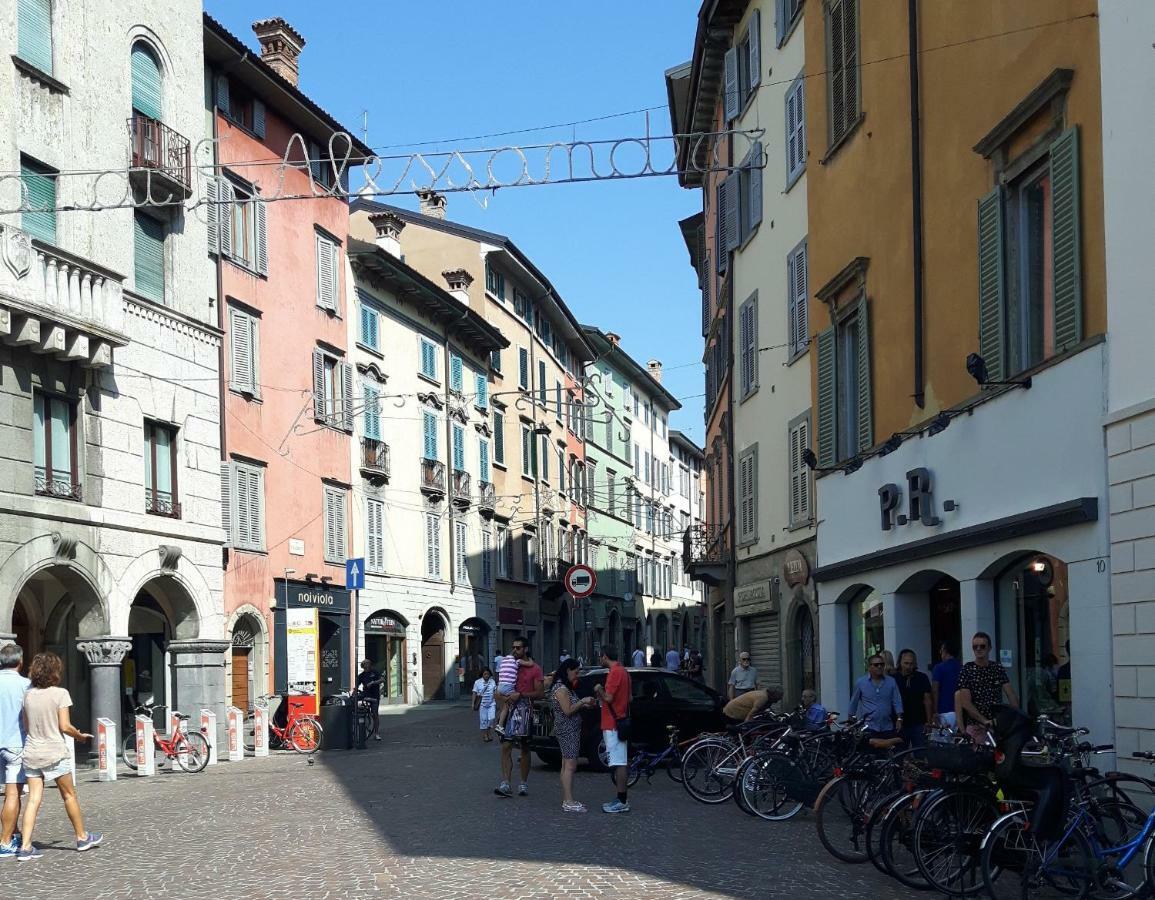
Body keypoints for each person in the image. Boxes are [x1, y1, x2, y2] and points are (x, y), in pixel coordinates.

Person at [18, 652, 101, 861]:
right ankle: (82, 837)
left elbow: (27, 727)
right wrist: (80, 736)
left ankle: (25, 846)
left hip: (32, 751)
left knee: (33, 799)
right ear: (55, 671)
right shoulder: (60, 694)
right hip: (54, 752)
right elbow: (64, 726)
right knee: (69, 795)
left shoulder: (28, 695)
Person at [493, 637, 543, 798]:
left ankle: (523, 783)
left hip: (525, 710)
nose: (515, 650)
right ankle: (506, 783)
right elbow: (500, 687)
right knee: (506, 745)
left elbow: (540, 693)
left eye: (518, 648)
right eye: (513, 647)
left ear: (526, 649)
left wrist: (520, 694)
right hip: (510, 709)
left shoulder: (535, 669)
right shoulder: (509, 664)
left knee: (524, 747)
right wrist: (502, 697)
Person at [549, 659, 596, 813]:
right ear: (568, 670)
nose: (577, 676)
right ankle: (568, 801)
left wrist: (584, 704)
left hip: (569, 729)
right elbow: (568, 710)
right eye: (575, 672)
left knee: (566, 765)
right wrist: (582, 701)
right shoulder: (561, 689)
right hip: (567, 730)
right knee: (570, 766)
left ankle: (567, 799)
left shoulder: (563, 687)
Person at [955, 632, 1019, 741]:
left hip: (997, 725)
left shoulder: (997, 668)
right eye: (975, 647)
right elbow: (965, 702)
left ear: (989, 648)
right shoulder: (967, 669)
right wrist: (983, 720)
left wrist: (1015, 716)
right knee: (978, 756)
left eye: (982, 646)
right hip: (976, 726)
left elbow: (1010, 694)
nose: (978, 649)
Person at [0, 643, 29, 859]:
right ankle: (5, 840)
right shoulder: (25, 685)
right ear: (20, 662)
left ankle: (14, 830)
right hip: (15, 744)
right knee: (12, 794)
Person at [595, 645, 631, 814]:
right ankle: (621, 799)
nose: (599, 659)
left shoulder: (615, 672)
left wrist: (599, 689)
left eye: (600, 656)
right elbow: (629, 697)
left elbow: (608, 697)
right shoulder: (623, 671)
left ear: (605, 656)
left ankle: (622, 800)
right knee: (619, 761)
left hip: (613, 722)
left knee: (619, 763)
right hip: (618, 719)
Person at [849, 653, 903, 736]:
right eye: (876, 665)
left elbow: (897, 701)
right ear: (869, 667)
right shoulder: (861, 682)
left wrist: (899, 719)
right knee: (869, 748)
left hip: (887, 726)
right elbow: (853, 703)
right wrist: (852, 722)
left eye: (882, 664)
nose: (879, 667)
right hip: (869, 727)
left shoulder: (891, 681)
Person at [492, 647, 537, 737]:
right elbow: (530, 664)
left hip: (500, 685)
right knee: (515, 702)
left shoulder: (504, 659)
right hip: (509, 687)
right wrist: (530, 659)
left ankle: (500, 724)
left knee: (505, 705)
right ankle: (514, 725)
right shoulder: (517, 661)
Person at [895, 649, 933, 752]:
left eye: (911, 664)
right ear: (900, 663)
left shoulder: (922, 677)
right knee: (899, 755)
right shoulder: (893, 679)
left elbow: (927, 700)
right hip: (900, 724)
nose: (908, 667)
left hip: (919, 723)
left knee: (921, 754)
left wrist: (929, 722)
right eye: (906, 663)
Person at [931, 641, 962, 733]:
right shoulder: (962, 667)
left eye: (941, 650)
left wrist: (935, 711)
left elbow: (935, 690)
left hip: (943, 711)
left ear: (945, 651)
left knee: (941, 743)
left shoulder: (939, 668)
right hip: (960, 712)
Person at [355, 659, 383, 742]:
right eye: (365, 665)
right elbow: (357, 686)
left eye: (368, 664)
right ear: (363, 667)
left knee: (375, 714)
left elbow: (382, 680)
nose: (367, 666)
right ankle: (363, 727)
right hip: (366, 696)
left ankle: (376, 733)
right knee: (361, 712)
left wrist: (373, 682)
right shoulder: (362, 675)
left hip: (374, 696)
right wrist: (354, 691)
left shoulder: (375, 672)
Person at [473, 667, 497, 742]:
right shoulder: (477, 682)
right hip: (482, 704)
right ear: (482, 675)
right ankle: (485, 735)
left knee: (491, 719)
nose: (486, 675)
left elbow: (495, 692)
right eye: (485, 674)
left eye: (488, 674)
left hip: (491, 704)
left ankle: (488, 731)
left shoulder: (492, 681)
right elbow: (474, 693)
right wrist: (472, 704)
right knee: (483, 720)